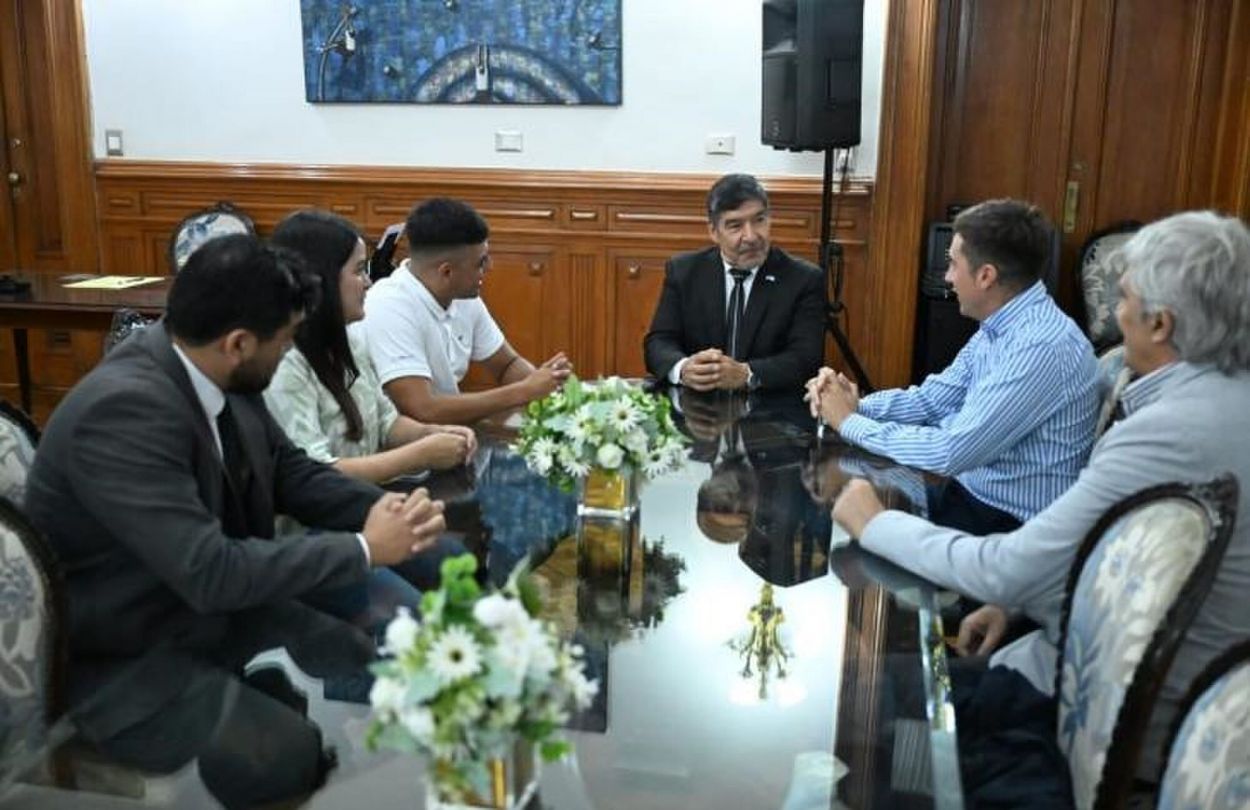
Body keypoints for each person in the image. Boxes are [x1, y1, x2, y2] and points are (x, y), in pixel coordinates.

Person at [831, 210, 1250, 789]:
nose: (1113, 314)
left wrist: (875, 524)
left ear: (1160, 323)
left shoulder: (1172, 430)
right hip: (1078, 655)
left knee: (874, 690)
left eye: (1124, 299)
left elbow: (1005, 567)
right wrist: (1021, 606)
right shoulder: (1217, 399)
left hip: (1109, 724)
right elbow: (1101, 553)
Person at [24, 234, 447, 807]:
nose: (289, 350)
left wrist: (378, 511)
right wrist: (365, 548)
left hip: (207, 614)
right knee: (286, 752)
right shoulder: (121, 413)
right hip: (127, 655)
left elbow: (290, 472)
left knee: (366, 662)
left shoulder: (216, 365)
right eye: (286, 339)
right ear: (239, 344)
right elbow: (209, 570)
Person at [809, 198, 1099, 533]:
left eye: (953, 264)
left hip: (1006, 526)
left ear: (986, 276)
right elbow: (930, 401)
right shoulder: (1002, 326)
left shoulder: (1041, 346)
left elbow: (951, 451)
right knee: (841, 506)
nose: (947, 277)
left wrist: (848, 422)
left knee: (845, 520)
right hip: (970, 496)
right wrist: (855, 403)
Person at [265, 209, 477, 483]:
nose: (367, 282)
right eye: (358, 271)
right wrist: (419, 455)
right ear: (322, 279)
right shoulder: (284, 363)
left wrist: (431, 434)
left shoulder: (349, 340)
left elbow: (386, 422)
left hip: (365, 500)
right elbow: (313, 475)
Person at [360, 197, 573, 424]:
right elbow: (423, 409)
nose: (489, 267)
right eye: (481, 262)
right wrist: (524, 391)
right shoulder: (388, 306)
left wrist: (548, 386)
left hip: (448, 433)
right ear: (447, 272)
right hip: (405, 439)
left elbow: (506, 365)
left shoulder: (463, 296)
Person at [644, 173, 826, 393]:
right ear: (714, 232)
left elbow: (806, 359)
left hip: (769, 404)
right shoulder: (684, 271)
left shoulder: (803, 279)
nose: (751, 236)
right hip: (697, 402)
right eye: (735, 225)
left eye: (759, 220)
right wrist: (683, 369)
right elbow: (659, 342)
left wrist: (747, 374)